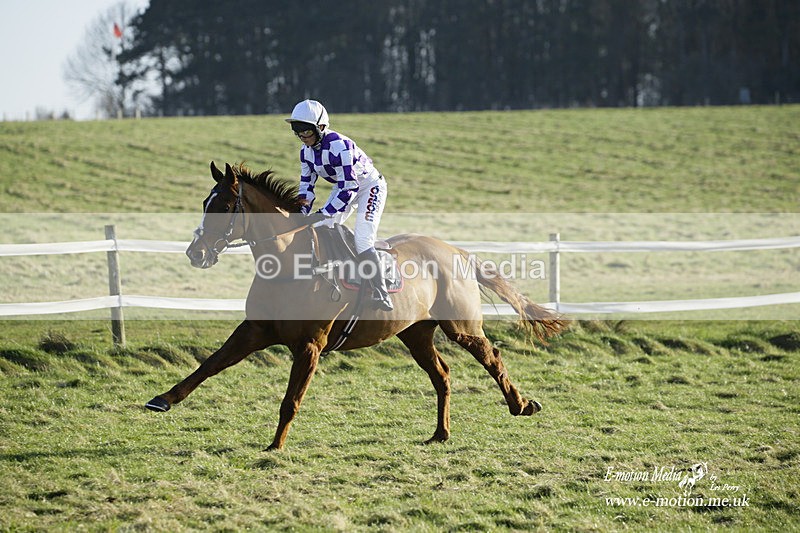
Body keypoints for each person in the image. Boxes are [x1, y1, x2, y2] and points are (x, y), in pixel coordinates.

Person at [285, 99, 393, 311]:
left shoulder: (339, 146)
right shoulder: (305, 152)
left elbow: (350, 188)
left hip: (369, 188)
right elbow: (306, 187)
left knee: (363, 239)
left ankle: (381, 293)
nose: (302, 137)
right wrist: (302, 213)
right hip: (345, 186)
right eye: (298, 132)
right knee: (319, 229)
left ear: (321, 127)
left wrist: (324, 212)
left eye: (307, 132)